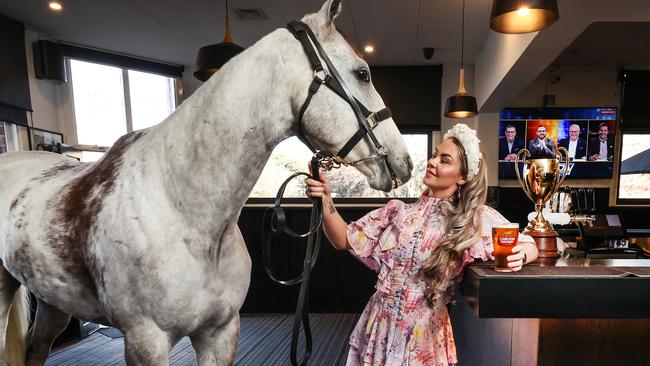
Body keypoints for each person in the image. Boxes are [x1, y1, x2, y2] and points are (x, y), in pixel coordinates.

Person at [306, 124, 538, 366]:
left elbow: (529, 244)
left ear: (462, 177)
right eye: (435, 155)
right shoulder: (397, 212)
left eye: (444, 160)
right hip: (379, 327)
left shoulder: (475, 219)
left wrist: (521, 255)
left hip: (424, 337)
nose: (433, 162)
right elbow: (343, 239)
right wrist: (325, 200)